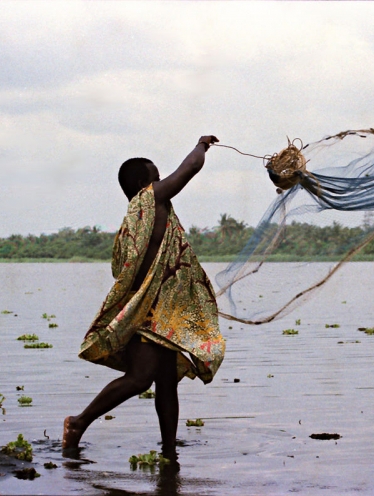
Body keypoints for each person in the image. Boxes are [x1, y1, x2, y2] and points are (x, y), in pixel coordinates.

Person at [63, 135, 225, 462]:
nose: (162, 182)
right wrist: (201, 145)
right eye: (156, 177)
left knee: (167, 382)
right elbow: (190, 168)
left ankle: (169, 451)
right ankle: (77, 423)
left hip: (160, 315)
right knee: (139, 379)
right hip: (147, 315)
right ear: (143, 184)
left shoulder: (132, 220)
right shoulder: (147, 201)